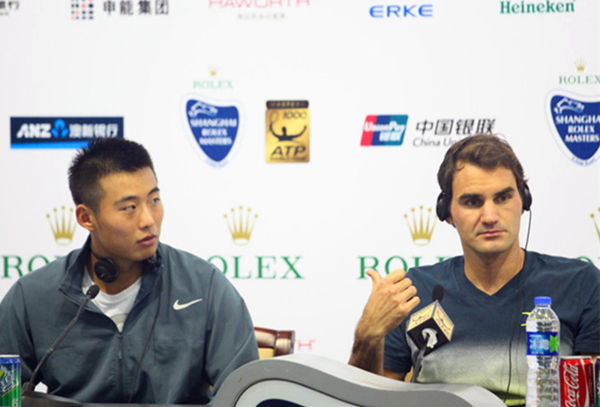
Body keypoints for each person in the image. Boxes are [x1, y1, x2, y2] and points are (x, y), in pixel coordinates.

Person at [0, 138, 259, 404]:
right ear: (86, 218)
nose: (149, 220)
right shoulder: (32, 297)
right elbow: (4, 395)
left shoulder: (204, 287)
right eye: (129, 208)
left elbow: (244, 396)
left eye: (154, 200)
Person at [349, 134, 600, 405]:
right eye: (472, 201)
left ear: (524, 202)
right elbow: (363, 402)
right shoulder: (414, 291)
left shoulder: (580, 283)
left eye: (503, 197)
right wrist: (367, 336)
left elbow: (590, 394)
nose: (490, 216)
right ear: (447, 212)